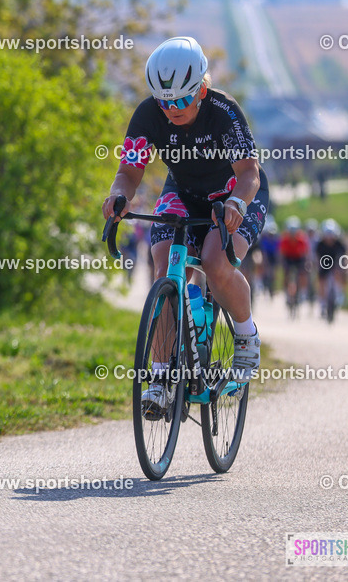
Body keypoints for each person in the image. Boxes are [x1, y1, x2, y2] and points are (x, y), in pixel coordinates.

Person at [102, 36, 269, 416]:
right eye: (164, 102)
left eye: (180, 101)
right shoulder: (148, 114)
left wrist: (236, 203)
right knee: (164, 267)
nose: (171, 109)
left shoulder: (224, 111)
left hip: (235, 192)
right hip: (183, 190)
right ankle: (160, 376)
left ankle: (246, 337)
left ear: (201, 90)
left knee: (215, 262)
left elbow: (249, 173)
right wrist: (118, 196)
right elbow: (129, 172)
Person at [314, 219, 347, 316]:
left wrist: (342, 268)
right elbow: (317, 258)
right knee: (322, 281)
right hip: (324, 263)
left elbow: (343, 258)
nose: (329, 239)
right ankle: (322, 303)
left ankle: (339, 293)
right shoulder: (320, 244)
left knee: (339, 273)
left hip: (336, 263)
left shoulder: (339, 244)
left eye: (331, 236)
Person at [278, 216, 310, 308]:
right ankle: (286, 292)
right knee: (286, 274)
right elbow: (282, 254)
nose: (292, 235)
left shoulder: (302, 240)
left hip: (298, 258)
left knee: (302, 273)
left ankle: (302, 292)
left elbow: (305, 254)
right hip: (288, 258)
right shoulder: (285, 240)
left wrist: (306, 263)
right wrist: (282, 263)